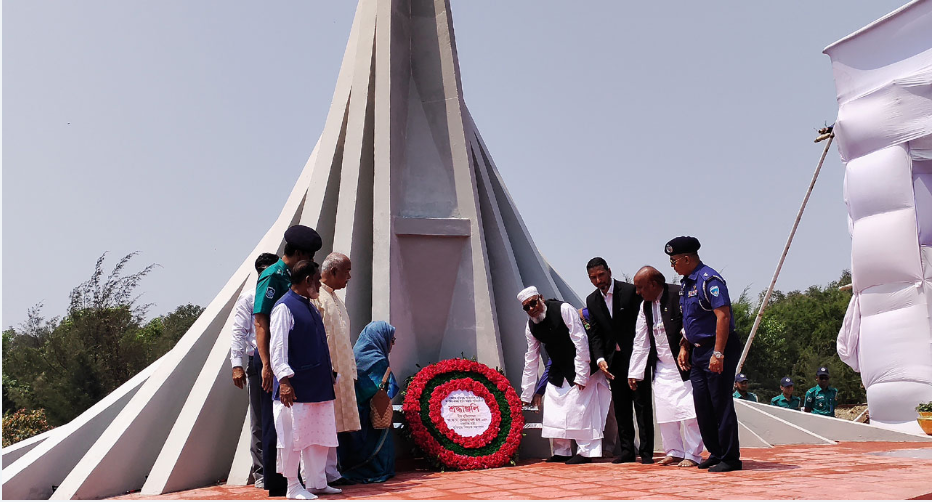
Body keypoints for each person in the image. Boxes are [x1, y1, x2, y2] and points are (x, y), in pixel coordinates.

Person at [254, 225, 322, 496]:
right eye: (308, 255)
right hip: (272, 360)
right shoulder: (272, 276)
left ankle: (298, 478)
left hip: (292, 361)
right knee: (275, 423)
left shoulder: (296, 275)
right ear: (297, 253)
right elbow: (261, 322)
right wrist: (267, 365)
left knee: (295, 421)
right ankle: (278, 483)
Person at [667, 236, 742, 472]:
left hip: (717, 348)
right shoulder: (686, 284)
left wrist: (718, 353)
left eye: (674, 260)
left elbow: (723, 316)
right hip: (697, 351)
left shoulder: (709, 280)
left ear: (687, 258)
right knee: (702, 404)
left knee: (720, 402)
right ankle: (715, 452)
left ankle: (730, 457)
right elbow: (690, 322)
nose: (672, 265)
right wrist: (684, 346)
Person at [269, 260, 341, 500]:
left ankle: (317, 482)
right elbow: (277, 349)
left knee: (318, 437)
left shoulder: (310, 306)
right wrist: (285, 381)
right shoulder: (284, 308)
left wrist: (329, 373)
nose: (319, 284)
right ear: (308, 280)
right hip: (296, 389)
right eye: (317, 279)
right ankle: (292, 486)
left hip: (318, 386)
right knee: (292, 439)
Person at [519, 286, 611, 464]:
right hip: (559, 367)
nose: (532, 309)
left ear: (541, 298)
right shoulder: (531, 327)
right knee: (555, 407)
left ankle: (587, 452)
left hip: (581, 364)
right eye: (526, 307)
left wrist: (582, 374)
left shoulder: (563, 309)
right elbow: (531, 359)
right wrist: (527, 392)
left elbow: (581, 341)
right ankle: (563, 451)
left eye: (533, 303)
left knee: (582, 409)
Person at [628, 266, 704, 468]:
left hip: (684, 365)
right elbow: (641, 340)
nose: (638, 292)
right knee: (666, 413)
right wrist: (634, 372)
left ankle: (693, 454)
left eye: (640, 288)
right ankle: (674, 452)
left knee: (690, 413)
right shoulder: (645, 306)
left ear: (654, 284)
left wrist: (684, 344)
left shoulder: (679, 294)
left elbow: (692, 322)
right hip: (662, 367)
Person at [584, 257, 654, 464]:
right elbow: (595, 334)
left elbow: (644, 324)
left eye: (601, 275)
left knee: (642, 405)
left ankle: (647, 452)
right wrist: (599, 359)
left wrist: (643, 356)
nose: (598, 281)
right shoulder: (592, 301)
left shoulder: (631, 292)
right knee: (621, 407)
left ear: (609, 271)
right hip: (613, 362)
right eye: (593, 278)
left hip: (636, 358)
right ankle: (626, 451)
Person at [230, 252, 280, 489]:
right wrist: (237, 365)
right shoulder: (248, 299)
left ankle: (282, 469)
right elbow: (239, 332)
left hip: (281, 361)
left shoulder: (281, 297)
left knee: (281, 418)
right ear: (261, 272)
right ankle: (261, 472)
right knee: (260, 419)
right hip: (257, 362)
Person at [311, 253, 359, 485]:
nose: (349, 276)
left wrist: (351, 369)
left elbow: (343, 339)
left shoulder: (336, 299)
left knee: (333, 423)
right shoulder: (316, 297)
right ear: (332, 272)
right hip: (324, 372)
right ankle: (320, 475)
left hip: (340, 372)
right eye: (346, 271)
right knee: (323, 422)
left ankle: (332, 472)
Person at [336, 321, 399, 484]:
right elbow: (382, 388)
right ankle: (378, 470)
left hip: (351, 412)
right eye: (391, 340)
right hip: (369, 415)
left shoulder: (355, 354)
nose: (392, 345)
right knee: (380, 432)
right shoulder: (378, 360)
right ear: (381, 339)